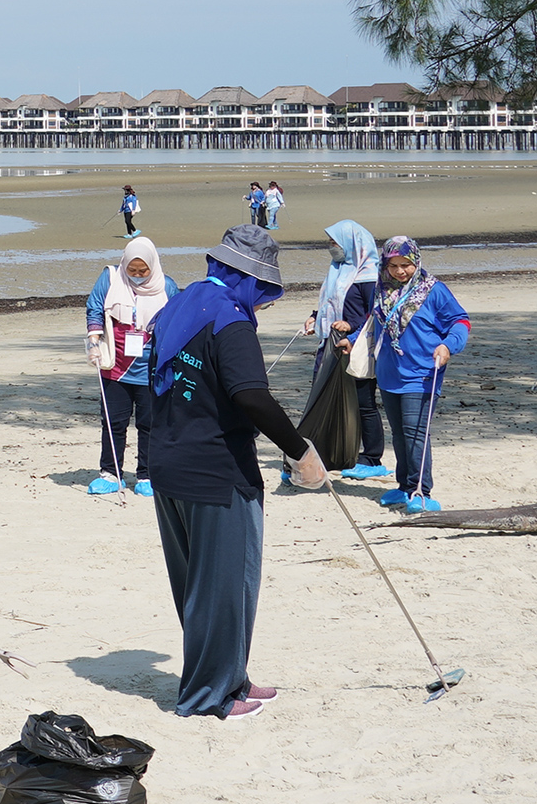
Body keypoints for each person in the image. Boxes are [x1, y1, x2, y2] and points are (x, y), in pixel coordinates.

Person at [142, 226, 330, 718]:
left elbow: (154, 386)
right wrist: (299, 451)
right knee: (224, 584)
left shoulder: (175, 306)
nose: (263, 304)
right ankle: (209, 696)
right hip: (216, 471)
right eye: (263, 293)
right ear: (248, 279)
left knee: (198, 583)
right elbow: (250, 395)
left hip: (168, 463)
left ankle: (232, 679)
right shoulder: (229, 319)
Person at [339, 236, 468, 512]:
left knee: (416, 433)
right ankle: (404, 487)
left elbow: (460, 321)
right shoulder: (381, 289)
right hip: (389, 373)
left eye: (405, 265)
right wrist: (351, 337)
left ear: (416, 261)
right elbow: (372, 323)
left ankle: (421, 490)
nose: (400, 271)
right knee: (399, 434)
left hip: (422, 372)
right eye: (393, 265)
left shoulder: (434, 290)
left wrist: (448, 345)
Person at [83, 238, 176, 496]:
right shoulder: (111, 278)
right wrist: (93, 343)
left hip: (151, 369)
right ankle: (111, 473)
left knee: (150, 424)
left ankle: (147, 475)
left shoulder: (167, 287)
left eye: (142, 271)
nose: (136, 275)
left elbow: (177, 323)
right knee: (113, 423)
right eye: (131, 270)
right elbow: (94, 309)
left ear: (152, 267)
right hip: (115, 366)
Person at [298, 220, 388, 482]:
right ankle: (330, 450)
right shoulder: (337, 270)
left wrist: (352, 326)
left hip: (357, 346)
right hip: (332, 343)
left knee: (363, 403)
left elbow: (376, 314)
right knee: (325, 397)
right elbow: (331, 302)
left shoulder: (368, 276)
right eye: (330, 242)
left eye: (335, 242)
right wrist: (316, 317)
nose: (332, 247)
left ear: (352, 244)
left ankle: (372, 457)